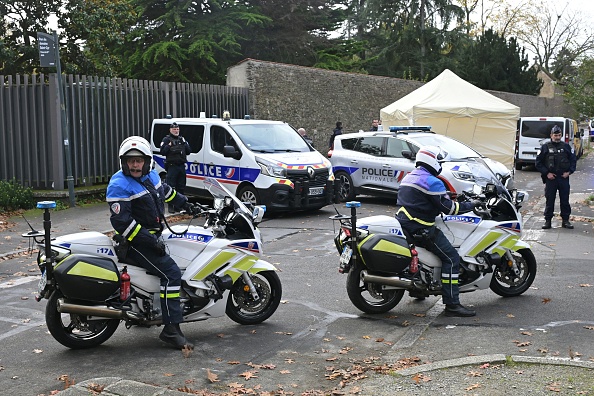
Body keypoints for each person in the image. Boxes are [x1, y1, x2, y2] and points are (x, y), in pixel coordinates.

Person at [106, 136, 194, 349]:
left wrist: (188, 204)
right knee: (171, 273)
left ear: (147, 161)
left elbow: (164, 191)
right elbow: (122, 222)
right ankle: (171, 329)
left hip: (152, 237)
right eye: (131, 160)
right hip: (136, 242)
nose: (135, 165)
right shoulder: (119, 184)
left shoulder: (151, 175)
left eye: (139, 160)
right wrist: (149, 241)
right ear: (124, 162)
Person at [396, 145, 480, 317]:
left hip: (404, 222)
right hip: (421, 227)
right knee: (451, 258)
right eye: (438, 160)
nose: (440, 164)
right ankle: (452, 304)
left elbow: (421, 199)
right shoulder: (433, 181)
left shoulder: (410, 177)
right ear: (432, 160)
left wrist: (445, 195)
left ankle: (418, 290)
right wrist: (471, 205)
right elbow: (449, 209)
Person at [535, 125, 577, 229]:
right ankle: (548, 221)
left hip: (563, 177)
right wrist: (546, 173)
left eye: (559, 135)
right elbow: (538, 163)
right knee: (550, 200)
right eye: (555, 135)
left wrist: (569, 172)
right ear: (551, 135)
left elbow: (573, 160)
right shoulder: (545, 147)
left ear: (561, 135)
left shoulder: (566, 146)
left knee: (565, 200)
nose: (557, 137)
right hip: (551, 178)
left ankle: (565, 220)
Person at [160, 122, 191, 213]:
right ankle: (171, 206)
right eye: (174, 129)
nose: (176, 131)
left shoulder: (182, 139)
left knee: (181, 186)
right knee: (171, 187)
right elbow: (163, 152)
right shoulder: (166, 139)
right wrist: (169, 146)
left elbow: (189, 151)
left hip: (181, 166)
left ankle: (179, 206)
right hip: (172, 167)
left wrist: (185, 143)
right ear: (170, 130)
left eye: (177, 129)